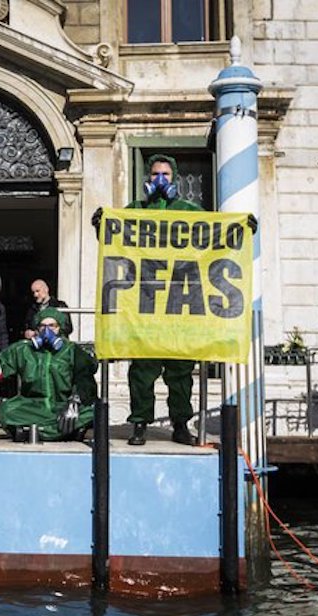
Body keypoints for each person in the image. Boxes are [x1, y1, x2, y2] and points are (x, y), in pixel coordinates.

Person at [92, 153, 201, 447]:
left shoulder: (190, 211)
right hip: (145, 307)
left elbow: (214, 239)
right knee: (141, 372)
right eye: (155, 174)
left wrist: (240, 229)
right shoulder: (135, 210)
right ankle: (140, 423)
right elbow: (115, 239)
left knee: (180, 373)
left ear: (175, 178)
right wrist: (101, 224)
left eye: (165, 174)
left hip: (179, 307)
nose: (160, 179)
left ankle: (180, 424)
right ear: (147, 179)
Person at [0, 307, 96, 442]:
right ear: (36, 328)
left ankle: (32, 431)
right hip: (33, 407)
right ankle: (65, 431)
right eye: (42, 326)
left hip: (62, 406)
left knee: (92, 411)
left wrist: (75, 402)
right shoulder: (23, 350)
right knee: (5, 410)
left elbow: (86, 380)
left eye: (52, 326)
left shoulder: (72, 351)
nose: (47, 330)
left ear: (60, 328)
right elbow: (1, 368)